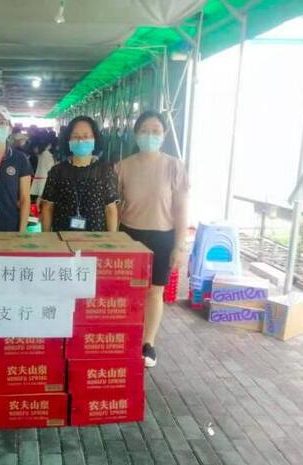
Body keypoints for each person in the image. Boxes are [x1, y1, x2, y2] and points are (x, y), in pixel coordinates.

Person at [115, 110, 189, 368]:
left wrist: (179, 246)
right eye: (145, 130)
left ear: (164, 135)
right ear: (136, 134)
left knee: (155, 291)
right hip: (129, 234)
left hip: (163, 236)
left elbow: (181, 210)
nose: (150, 135)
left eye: (156, 131)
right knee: (127, 290)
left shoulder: (174, 166)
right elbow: (115, 206)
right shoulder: (123, 167)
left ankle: (148, 342)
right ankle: (126, 335)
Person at [40, 116, 119, 232]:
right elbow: (47, 207)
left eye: (86, 136)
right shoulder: (57, 171)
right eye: (76, 136)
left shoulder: (105, 171)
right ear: (68, 140)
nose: (81, 140)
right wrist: (46, 237)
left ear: (95, 139)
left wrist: (112, 238)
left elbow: (110, 209)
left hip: (96, 238)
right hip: (63, 237)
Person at [29, 132, 55, 209]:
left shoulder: (41, 153)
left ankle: (36, 209)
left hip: (39, 177)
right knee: (42, 196)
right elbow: (50, 167)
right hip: (44, 178)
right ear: (49, 145)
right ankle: (37, 209)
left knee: (40, 196)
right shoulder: (47, 154)